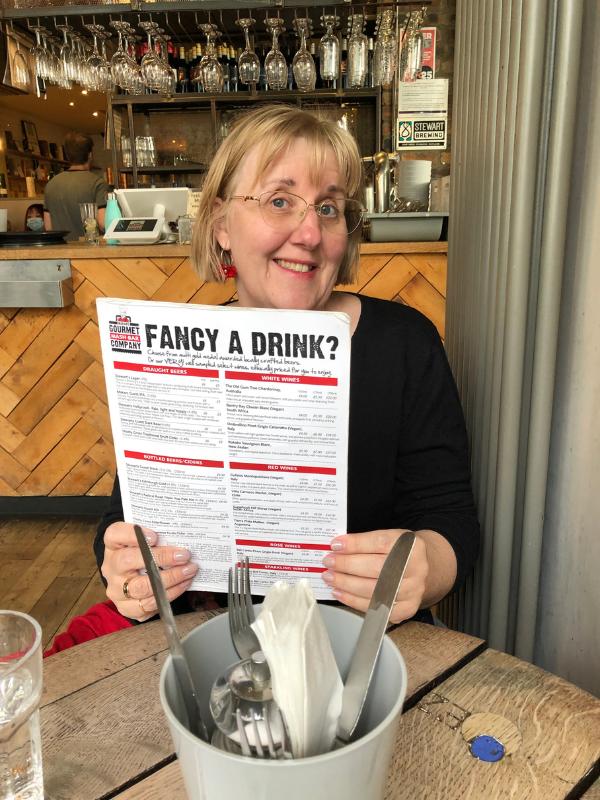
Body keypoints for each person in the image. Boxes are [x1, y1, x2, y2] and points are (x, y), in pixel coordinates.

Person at [95, 104, 479, 627]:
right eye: (280, 200)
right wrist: (124, 569)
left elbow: (450, 519)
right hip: (206, 643)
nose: (310, 233)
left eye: (328, 208)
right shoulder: (175, 355)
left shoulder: (404, 343)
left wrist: (424, 567)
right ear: (220, 224)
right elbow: (125, 520)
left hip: (367, 646)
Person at [43, 131, 108, 242]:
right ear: (90, 155)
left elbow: (48, 227)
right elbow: (103, 223)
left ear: (68, 155)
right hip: (90, 251)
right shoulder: (97, 183)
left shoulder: (51, 184)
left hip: (61, 252)